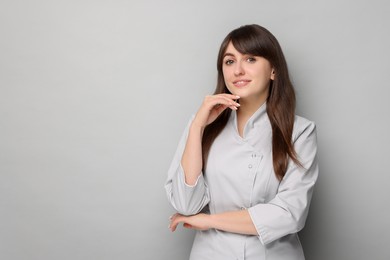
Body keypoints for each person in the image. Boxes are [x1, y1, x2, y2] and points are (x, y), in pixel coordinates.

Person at [165, 24, 318, 260]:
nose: (238, 70)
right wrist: (197, 126)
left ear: (273, 71)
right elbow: (186, 205)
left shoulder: (300, 131)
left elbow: (289, 214)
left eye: (250, 59)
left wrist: (210, 221)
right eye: (229, 61)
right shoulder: (200, 125)